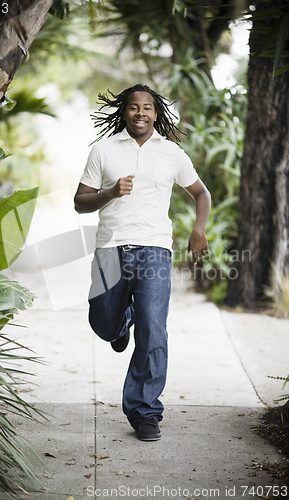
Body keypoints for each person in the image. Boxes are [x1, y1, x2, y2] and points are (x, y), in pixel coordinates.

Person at [74, 84, 211, 441]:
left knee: (154, 331)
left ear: (156, 113)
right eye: (134, 107)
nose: (141, 113)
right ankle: (121, 322)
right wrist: (110, 192)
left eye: (147, 107)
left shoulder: (171, 154)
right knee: (103, 323)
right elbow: (80, 202)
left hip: (154, 250)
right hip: (110, 249)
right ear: (124, 111)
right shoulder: (102, 150)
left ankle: (144, 411)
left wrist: (199, 229)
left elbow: (200, 193)